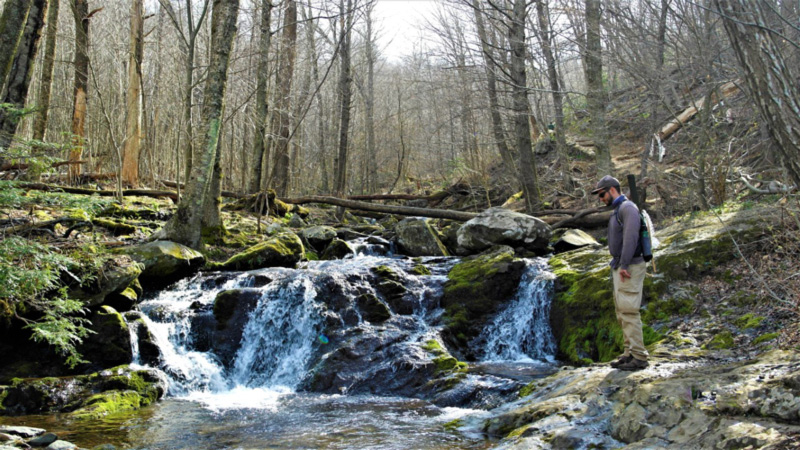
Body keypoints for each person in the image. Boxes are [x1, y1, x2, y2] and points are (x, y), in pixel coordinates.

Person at [591, 175, 649, 371]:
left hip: (629, 266)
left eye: (601, 194)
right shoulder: (619, 209)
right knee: (621, 310)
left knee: (629, 310)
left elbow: (631, 238)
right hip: (621, 265)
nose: (600, 198)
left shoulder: (628, 208)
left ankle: (639, 357)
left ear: (612, 190)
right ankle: (629, 353)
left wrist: (624, 265)